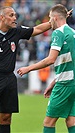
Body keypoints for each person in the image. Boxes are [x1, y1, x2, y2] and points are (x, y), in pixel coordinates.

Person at [17, 4, 75, 133]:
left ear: (54, 18)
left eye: (50, 18)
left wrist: (28, 68)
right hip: (72, 82)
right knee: (71, 120)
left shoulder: (58, 33)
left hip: (65, 84)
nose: (49, 22)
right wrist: (53, 82)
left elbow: (50, 59)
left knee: (48, 122)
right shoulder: (72, 33)